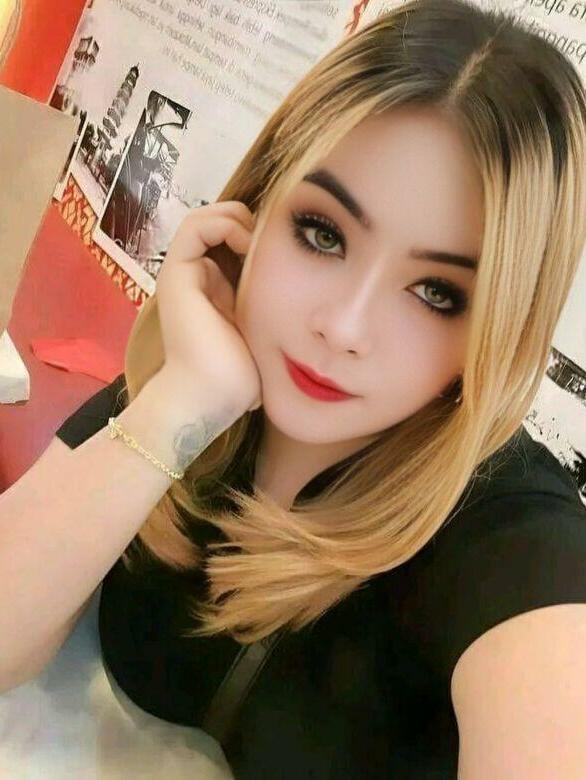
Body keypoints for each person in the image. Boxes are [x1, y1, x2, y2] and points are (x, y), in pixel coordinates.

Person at [3, 0, 586, 776]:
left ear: (498, 332)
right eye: (322, 234)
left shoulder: (512, 534)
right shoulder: (207, 374)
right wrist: (185, 401)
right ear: (255, 207)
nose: (344, 327)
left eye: (438, 293)